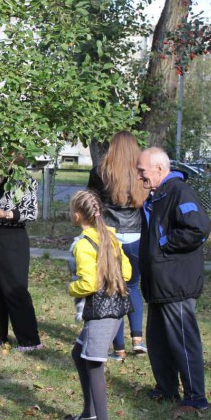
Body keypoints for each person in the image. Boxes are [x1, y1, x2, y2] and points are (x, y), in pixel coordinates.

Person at [136, 146, 211, 411]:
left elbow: (199, 228)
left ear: (159, 168)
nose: (139, 177)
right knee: (157, 341)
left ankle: (196, 398)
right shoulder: (159, 194)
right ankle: (166, 389)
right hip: (159, 285)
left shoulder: (179, 191)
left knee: (183, 341)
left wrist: (163, 243)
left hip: (176, 284)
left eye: (142, 171)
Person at [62, 190, 133, 420]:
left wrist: (71, 288)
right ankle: (88, 415)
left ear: (78, 215)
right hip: (116, 310)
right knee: (78, 354)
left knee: (93, 364)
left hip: (99, 311)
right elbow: (127, 271)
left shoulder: (83, 244)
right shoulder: (110, 237)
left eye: (71, 211)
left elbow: (89, 284)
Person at [87, 131, 148, 360]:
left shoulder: (101, 171)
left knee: (113, 289)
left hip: (110, 235)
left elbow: (91, 200)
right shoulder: (141, 174)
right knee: (133, 286)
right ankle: (138, 341)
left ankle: (119, 349)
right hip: (136, 235)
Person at [0, 169, 42, 351]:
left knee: (14, 289)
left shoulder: (24, 180)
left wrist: (5, 214)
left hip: (12, 238)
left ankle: (29, 340)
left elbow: (32, 212)